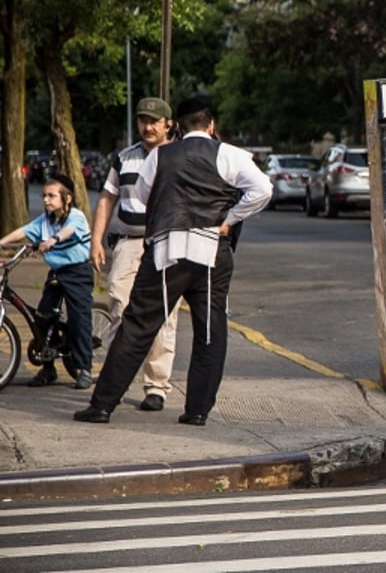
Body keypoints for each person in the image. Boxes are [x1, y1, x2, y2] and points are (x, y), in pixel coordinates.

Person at [74, 94, 271, 425]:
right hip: (212, 251)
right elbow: (263, 190)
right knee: (210, 330)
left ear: (177, 126)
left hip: (168, 251)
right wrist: (230, 219)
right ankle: (196, 411)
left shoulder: (160, 156)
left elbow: (145, 195)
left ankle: (103, 405)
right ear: (211, 125)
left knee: (138, 326)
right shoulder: (231, 155)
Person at [89, 96, 179, 412]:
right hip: (128, 241)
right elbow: (106, 198)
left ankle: (156, 387)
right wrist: (96, 240)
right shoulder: (124, 158)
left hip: (167, 243)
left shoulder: (177, 157)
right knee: (119, 305)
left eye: (154, 120)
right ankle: (114, 381)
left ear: (169, 124)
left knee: (163, 315)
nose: (148, 126)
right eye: (143, 120)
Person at [0, 174, 95, 388]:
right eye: (44, 195)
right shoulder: (44, 221)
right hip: (57, 273)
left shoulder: (76, 217)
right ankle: (48, 368)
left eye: (52, 196)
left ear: (67, 198)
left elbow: (68, 231)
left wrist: (54, 239)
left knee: (79, 318)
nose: (46, 200)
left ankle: (84, 368)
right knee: (42, 317)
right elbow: (21, 232)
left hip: (78, 272)